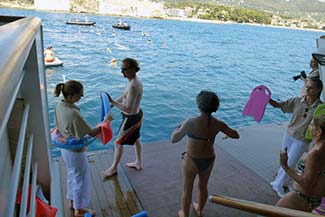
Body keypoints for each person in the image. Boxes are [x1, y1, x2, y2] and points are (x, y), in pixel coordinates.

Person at [171, 91, 240, 217]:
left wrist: (178, 128)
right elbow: (235, 135)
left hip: (192, 159)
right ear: (215, 107)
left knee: (187, 189)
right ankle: (199, 210)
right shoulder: (219, 124)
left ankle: (184, 214)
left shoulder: (190, 122)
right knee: (203, 186)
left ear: (199, 105)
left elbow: (174, 139)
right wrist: (224, 132)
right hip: (208, 159)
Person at [54, 80, 111, 217]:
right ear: (71, 96)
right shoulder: (74, 114)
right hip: (76, 152)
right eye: (80, 95)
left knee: (71, 174)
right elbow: (91, 132)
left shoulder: (59, 106)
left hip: (65, 147)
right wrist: (106, 121)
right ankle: (79, 210)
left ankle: (72, 201)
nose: (81, 97)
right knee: (80, 179)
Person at [269, 78, 323, 198]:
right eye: (307, 86)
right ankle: (279, 184)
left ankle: (279, 184)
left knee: (290, 162)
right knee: (285, 159)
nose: (307, 89)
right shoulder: (297, 101)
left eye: (311, 87)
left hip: (302, 139)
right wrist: (267, 99)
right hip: (289, 134)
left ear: (318, 90)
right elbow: (279, 105)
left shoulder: (320, 108)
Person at [102, 58, 143, 177]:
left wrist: (113, 102)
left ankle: (113, 168)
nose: (122, 72)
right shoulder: (133, 82)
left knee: (118, 142)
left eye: (124, 69)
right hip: (137, 114)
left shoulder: (133, 86)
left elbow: (128, 109)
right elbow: (125, 96)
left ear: (133, 70)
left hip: (131, 118)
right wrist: (112, 104)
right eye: (121, 69)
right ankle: (138, 163)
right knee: (135, 139)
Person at [276, 114, 325, 212]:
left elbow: (306, 182)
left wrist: (285, 166)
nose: (309, 127)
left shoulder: (315, 154)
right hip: (314, 199)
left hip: (302, 197)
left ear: (319, 131)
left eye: (311, 125)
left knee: (271, 212)